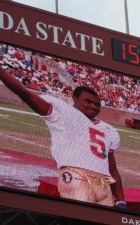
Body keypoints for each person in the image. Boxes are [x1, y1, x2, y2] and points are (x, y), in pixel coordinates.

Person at [0, 68, 127, 209]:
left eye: (97, 104)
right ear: (75, 99)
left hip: (103, 183)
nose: (93, 106)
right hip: (77, 177)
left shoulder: (109, 130)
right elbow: (25, 93)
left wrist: (121, 199)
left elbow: (112, 168)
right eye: (88, 101)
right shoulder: (64, 114)